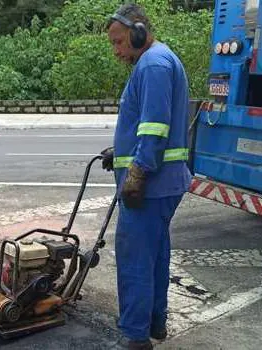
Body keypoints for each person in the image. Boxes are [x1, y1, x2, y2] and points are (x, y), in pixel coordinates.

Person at [102, 3, 192, 350]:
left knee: (135, 258)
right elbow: (145, 125)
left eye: (120, 42)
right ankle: (154, 320)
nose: (117, 51)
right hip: (163, 183)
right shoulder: (158, 60)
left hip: (151, 186)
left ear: (139, 32)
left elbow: (155, 127)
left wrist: (137, 172)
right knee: (154, 253)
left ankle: (135, 336)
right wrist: (120, 153)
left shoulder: (153, 64)